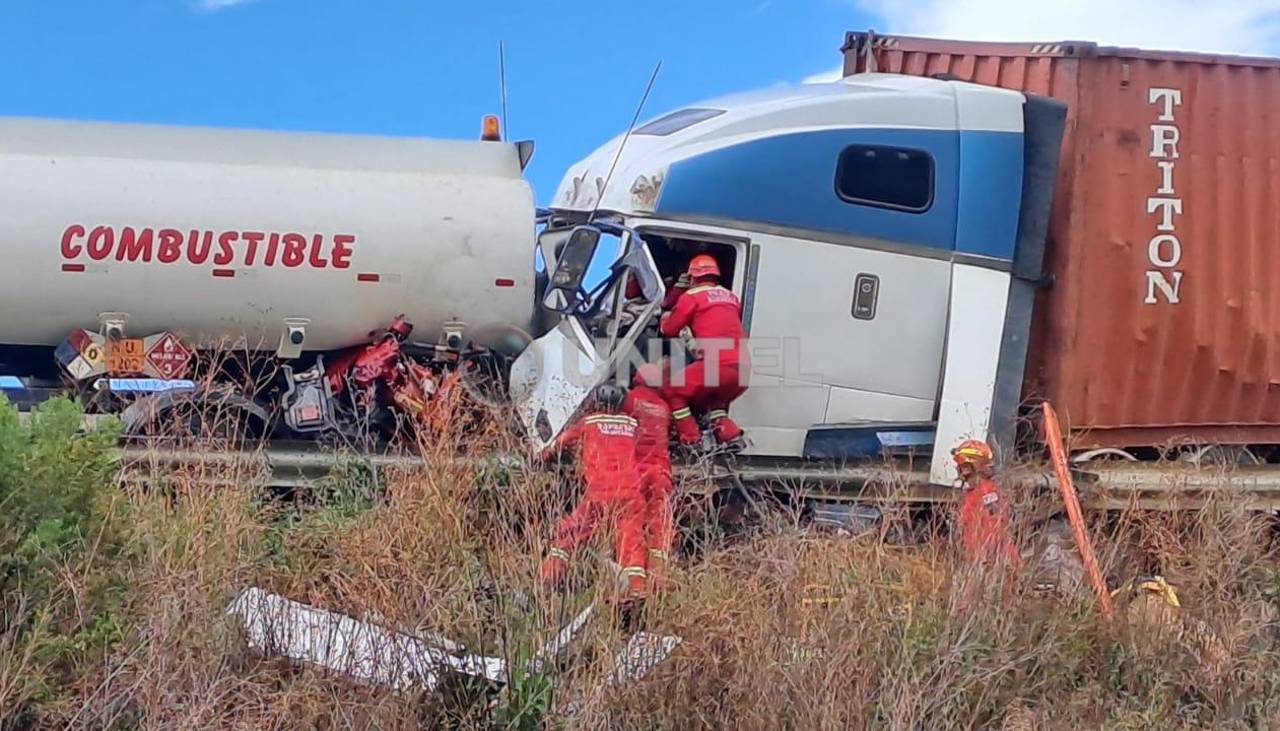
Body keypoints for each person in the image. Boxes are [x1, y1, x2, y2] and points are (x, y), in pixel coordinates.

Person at [538, 383, 648, 600]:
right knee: (631, 542)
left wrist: (544, 454)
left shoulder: (589, 422)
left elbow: (561, 442)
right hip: (630, 494)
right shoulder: (632, 424)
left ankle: (549, 578)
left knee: (569, 534)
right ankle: (636, 591)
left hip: (599, 493)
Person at [659, 254, 748, 449]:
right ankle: (731, 436)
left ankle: (691, 439)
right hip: (742, 370)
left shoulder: (691, 297)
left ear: (691, 277)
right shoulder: (731, 297)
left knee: (673, 390)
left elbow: (670, 329)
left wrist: (665, 317)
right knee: (714, 402)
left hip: (716, 364)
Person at [626, 362, 676, 592]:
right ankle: (659, 580)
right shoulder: (664, 407)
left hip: (636, 472)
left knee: (633, 523)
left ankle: (636, 583)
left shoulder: (630, 400)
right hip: (660, 473)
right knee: (659, 527)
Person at [952, 439, 1020, 568]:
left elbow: (992, 531)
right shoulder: (981, 491)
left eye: (963, 467)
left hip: (992, 564)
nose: (959, 470)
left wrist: (984, 562)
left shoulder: (984, 493)